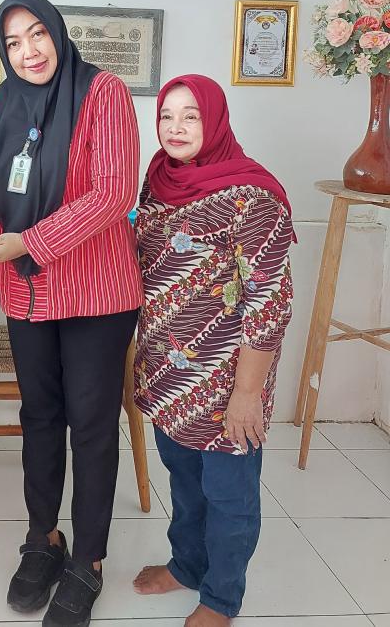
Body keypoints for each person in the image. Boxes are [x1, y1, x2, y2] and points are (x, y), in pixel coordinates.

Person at [0, 0, 141, 627]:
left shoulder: (103, 93)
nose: (28, 51)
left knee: (91, 425)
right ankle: (44, 539)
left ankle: (88, 560)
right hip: (28, 292)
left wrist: (31, 243)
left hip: (96, 291)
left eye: (37, 34)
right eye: (13, 42)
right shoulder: (3, 101)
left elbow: (113, 193)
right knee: (39, 416)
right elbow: (2, 182)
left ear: (57, 34)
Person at [132, 75, 294, 627]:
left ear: (217, 121)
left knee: (229, 495)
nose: (175, 128)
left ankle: (222, 598)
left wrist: (248, 394)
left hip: (227, 382)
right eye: (167, 115)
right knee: (184, 481)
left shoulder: (253, 197)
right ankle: (187, 565)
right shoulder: (158, 180)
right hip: (167, 375)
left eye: (191, 116)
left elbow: (269, 302)